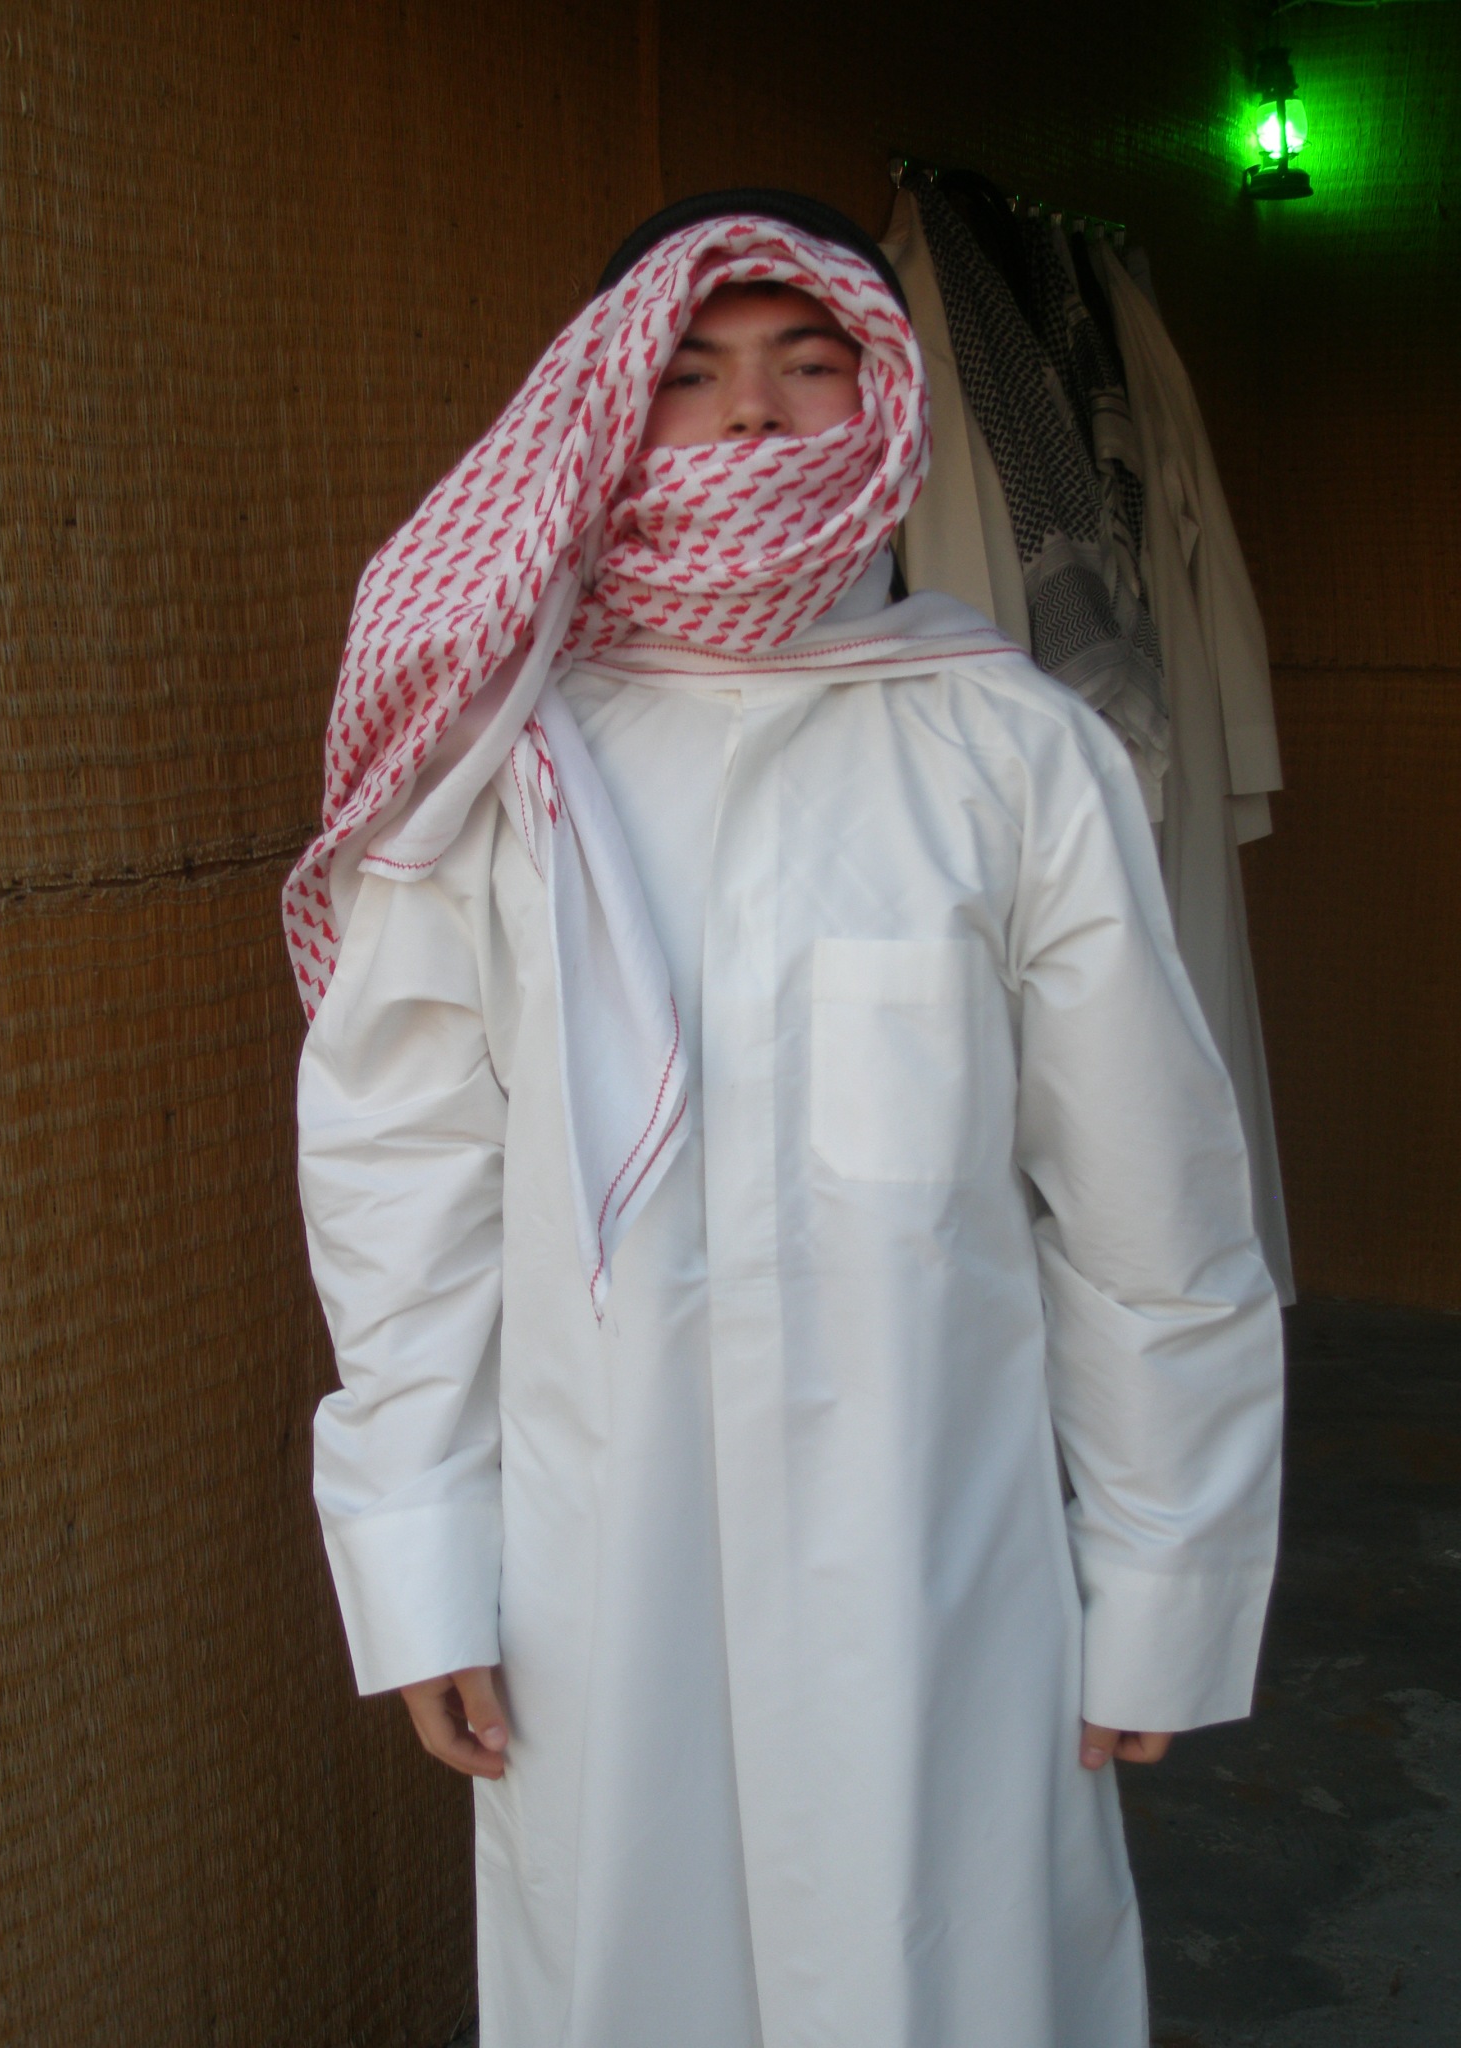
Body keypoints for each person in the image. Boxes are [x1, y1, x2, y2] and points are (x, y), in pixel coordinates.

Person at [288, 191, 1283, 2048]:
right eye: (692, 375)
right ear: (606, 410)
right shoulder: (504, 760)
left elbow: (1147, 1207)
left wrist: (1164, 1573)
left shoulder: (1012, 754)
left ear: (885, 399)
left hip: (933, 1559)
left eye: (805, 365)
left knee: (941, 1975)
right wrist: (422, 1559)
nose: (751, 414)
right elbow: (400, 1189)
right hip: (599, 1566)